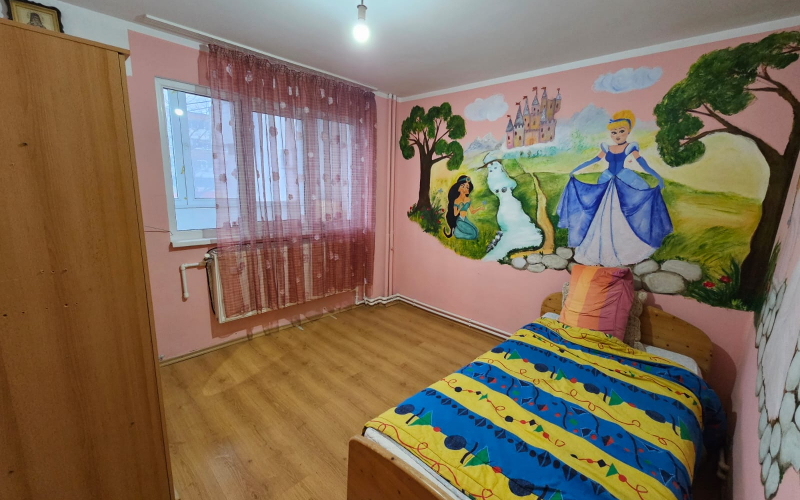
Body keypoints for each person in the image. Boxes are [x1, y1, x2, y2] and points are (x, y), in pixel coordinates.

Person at [556, 110, 672, 266]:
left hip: (622, 179)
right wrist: (576, 169)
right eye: (614, 132)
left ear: (628, 132)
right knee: (602, 214)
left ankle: (624, 248)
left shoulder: (630, 147)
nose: (617, 135)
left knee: (620, 213)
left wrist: (657, 176)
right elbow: (594, 160)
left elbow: (642, 163)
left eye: (621, 131)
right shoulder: (607, 148)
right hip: (607, 179)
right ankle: (599, 249)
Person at [443, 175, 484, 240]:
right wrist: (459, 208)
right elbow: (455, 214)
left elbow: (472, 211)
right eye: (462, 186)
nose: (465, 189)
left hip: (465, 219)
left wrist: (479, 208)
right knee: (473, 234)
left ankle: (457, 232)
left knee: (476, 232)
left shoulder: (468, 199)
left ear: (468, 190)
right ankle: (456, 233)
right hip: (459, 220)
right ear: (458, 188)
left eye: (467, 187)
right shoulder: (456, 200)